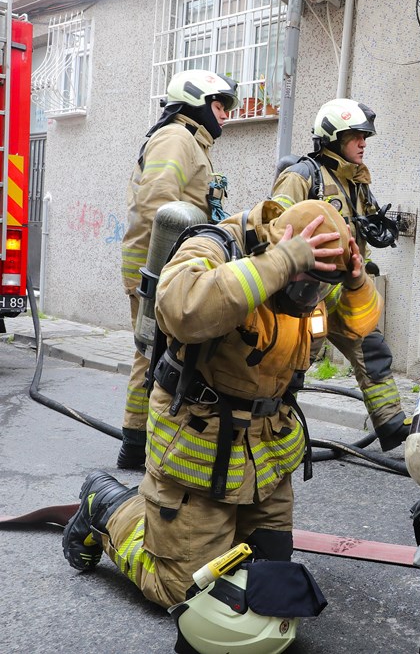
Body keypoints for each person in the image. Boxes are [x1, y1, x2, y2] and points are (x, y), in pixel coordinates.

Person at [63, 198, 381, 610]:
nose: (310, 296)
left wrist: (356, 283)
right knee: (183, 592)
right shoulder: (215, 246)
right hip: (201, 446)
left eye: (320, 285)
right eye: (305, 281)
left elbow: (358, 328)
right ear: (281, 241)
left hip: (266, 456)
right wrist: (282, 262)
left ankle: (193, 533)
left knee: (265, 582)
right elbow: (181, 308)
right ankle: (105, 506)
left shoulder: (314, 277)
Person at [270, 98, 410, 452]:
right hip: (308, 293)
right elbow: (275, 228)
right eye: (356, 136)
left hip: (345, 290)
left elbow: (366, 224)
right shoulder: (303, 176)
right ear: (333, 138)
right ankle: (272, 424)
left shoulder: (357, 184)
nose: (364, 143)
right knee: (296, 359)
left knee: (372, 347)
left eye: (365, 136)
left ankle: (393, 425)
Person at [117, 69, 239, 470]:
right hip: (158, 268)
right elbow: (158, 207)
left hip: (170, 267)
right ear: (196, 103)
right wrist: (169, 271)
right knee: (155, 352)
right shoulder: (176, 138)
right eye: (219, 106)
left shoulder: (192, 143)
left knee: (155, 353)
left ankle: (139, 440)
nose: (224, 115)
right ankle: (140, 444)